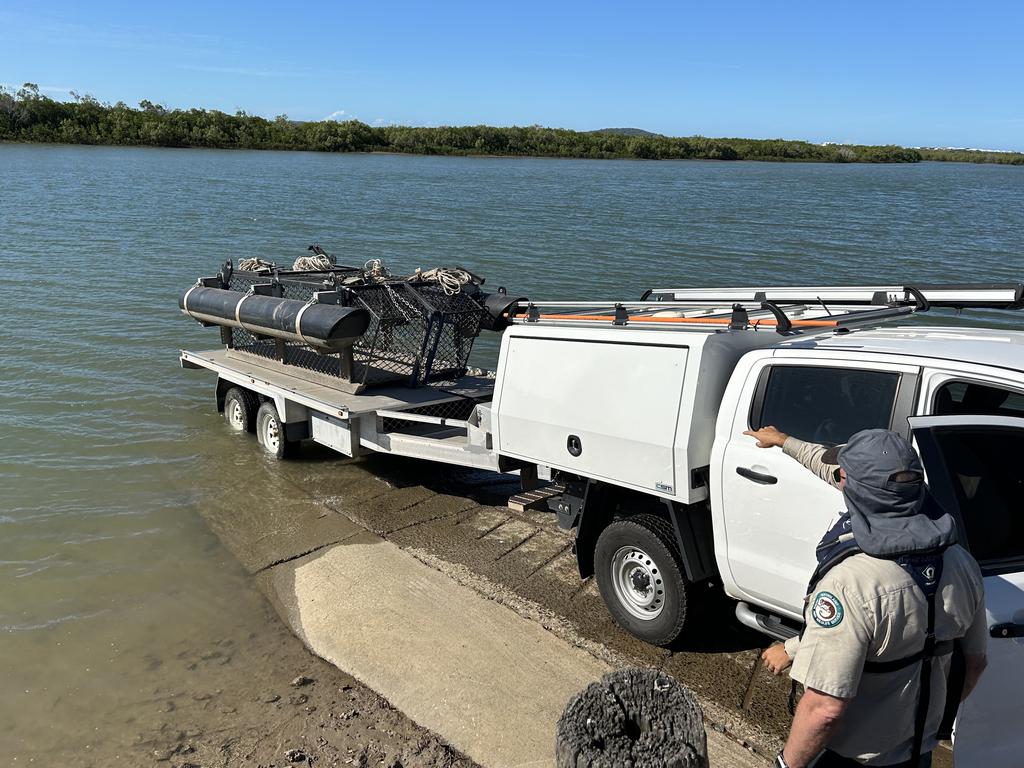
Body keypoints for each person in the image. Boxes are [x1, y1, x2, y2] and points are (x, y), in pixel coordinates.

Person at [743, 426, 988, 768]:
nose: (838, 478)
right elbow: (975, 663)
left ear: (853, 489)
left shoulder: (850, 584)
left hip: (854, 757)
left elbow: (825, 709)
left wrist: (788, 764)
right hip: (918, 749)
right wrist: (784, 442)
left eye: (843, 476)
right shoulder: (963, 564)